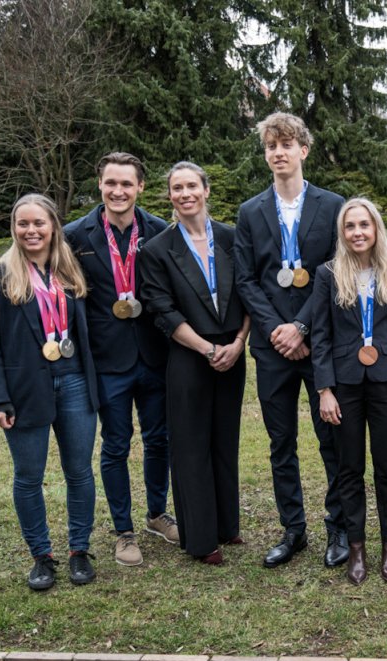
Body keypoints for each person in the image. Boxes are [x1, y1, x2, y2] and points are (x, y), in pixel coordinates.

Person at [235, 112, 348, 569]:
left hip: (321, 342)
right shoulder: (250, 211)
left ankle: (339, 526)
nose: (278, 152)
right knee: (281, 443)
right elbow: (246, 280)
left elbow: (337, 271)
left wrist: (300, 326)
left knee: (331, 438)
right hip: (272, 348)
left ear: (304, 149)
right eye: (271, 146)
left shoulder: (333, 205)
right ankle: (293, 529)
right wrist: (278, 331)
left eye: (286, 145)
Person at [0, 193, 99, 590]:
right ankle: (41, 556)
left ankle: (79, 551)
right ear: (14, 228)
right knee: (29, 476)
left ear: (53, 227)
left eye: (39, 223)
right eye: (23, 224)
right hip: (25, 389)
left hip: (75, 383)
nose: (31, 231)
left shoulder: (71, 271)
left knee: (79, 471)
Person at [64, 152, 176, 566]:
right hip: (107, 358)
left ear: (140, 187)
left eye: (127, 183)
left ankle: (157, 514)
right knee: (115, 445)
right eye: (111, 183)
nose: (118, 191)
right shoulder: (74, 236)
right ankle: (123, 530)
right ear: (100, 184)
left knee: (159, 439)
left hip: (154, 353)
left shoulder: (160, 230)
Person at [138, 162, 249, 565]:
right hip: (189, 356)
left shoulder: (233, 238)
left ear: (206, 190)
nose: (185, 194)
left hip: (233, 354)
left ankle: (227, 524)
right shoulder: (156, 250)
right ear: (169, 195)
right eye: (177, 188)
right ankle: (201, 540)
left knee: (225, 441)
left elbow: (249, 293)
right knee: (190, 448)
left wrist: (238, 342)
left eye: (191, 186)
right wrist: (207, 349)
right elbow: (162, 311)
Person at [310, 198, 387, 584]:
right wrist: (324, 389)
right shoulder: (328, 274)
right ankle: (356, 547)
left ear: (376, 229)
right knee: (349, 468)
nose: (358, 232)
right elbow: (320, 336)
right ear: (342, 232)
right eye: (350, 226)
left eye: (364, 225)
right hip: (345, 384)